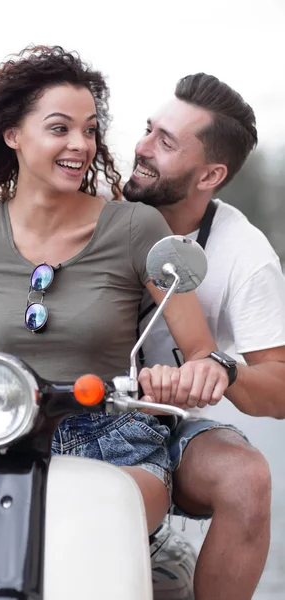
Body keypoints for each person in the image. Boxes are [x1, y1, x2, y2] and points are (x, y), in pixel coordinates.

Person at [0, 47, 229, 548]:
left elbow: (200, 351)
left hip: (111, 432)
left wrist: (187, 375)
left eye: (90, 129)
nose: (81, 143)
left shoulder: (136, 226)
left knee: (94, 529)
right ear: (13, 135)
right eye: (60, 128)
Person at [123, 73, 285, 600]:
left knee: (247, 479)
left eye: (165, 143)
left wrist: (222, 367)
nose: (142, 149)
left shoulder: (245, 252)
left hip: (164, 427)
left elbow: (280, 387)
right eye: (149, 130)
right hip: (63, 408)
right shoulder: (94, 200)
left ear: (211, 174)